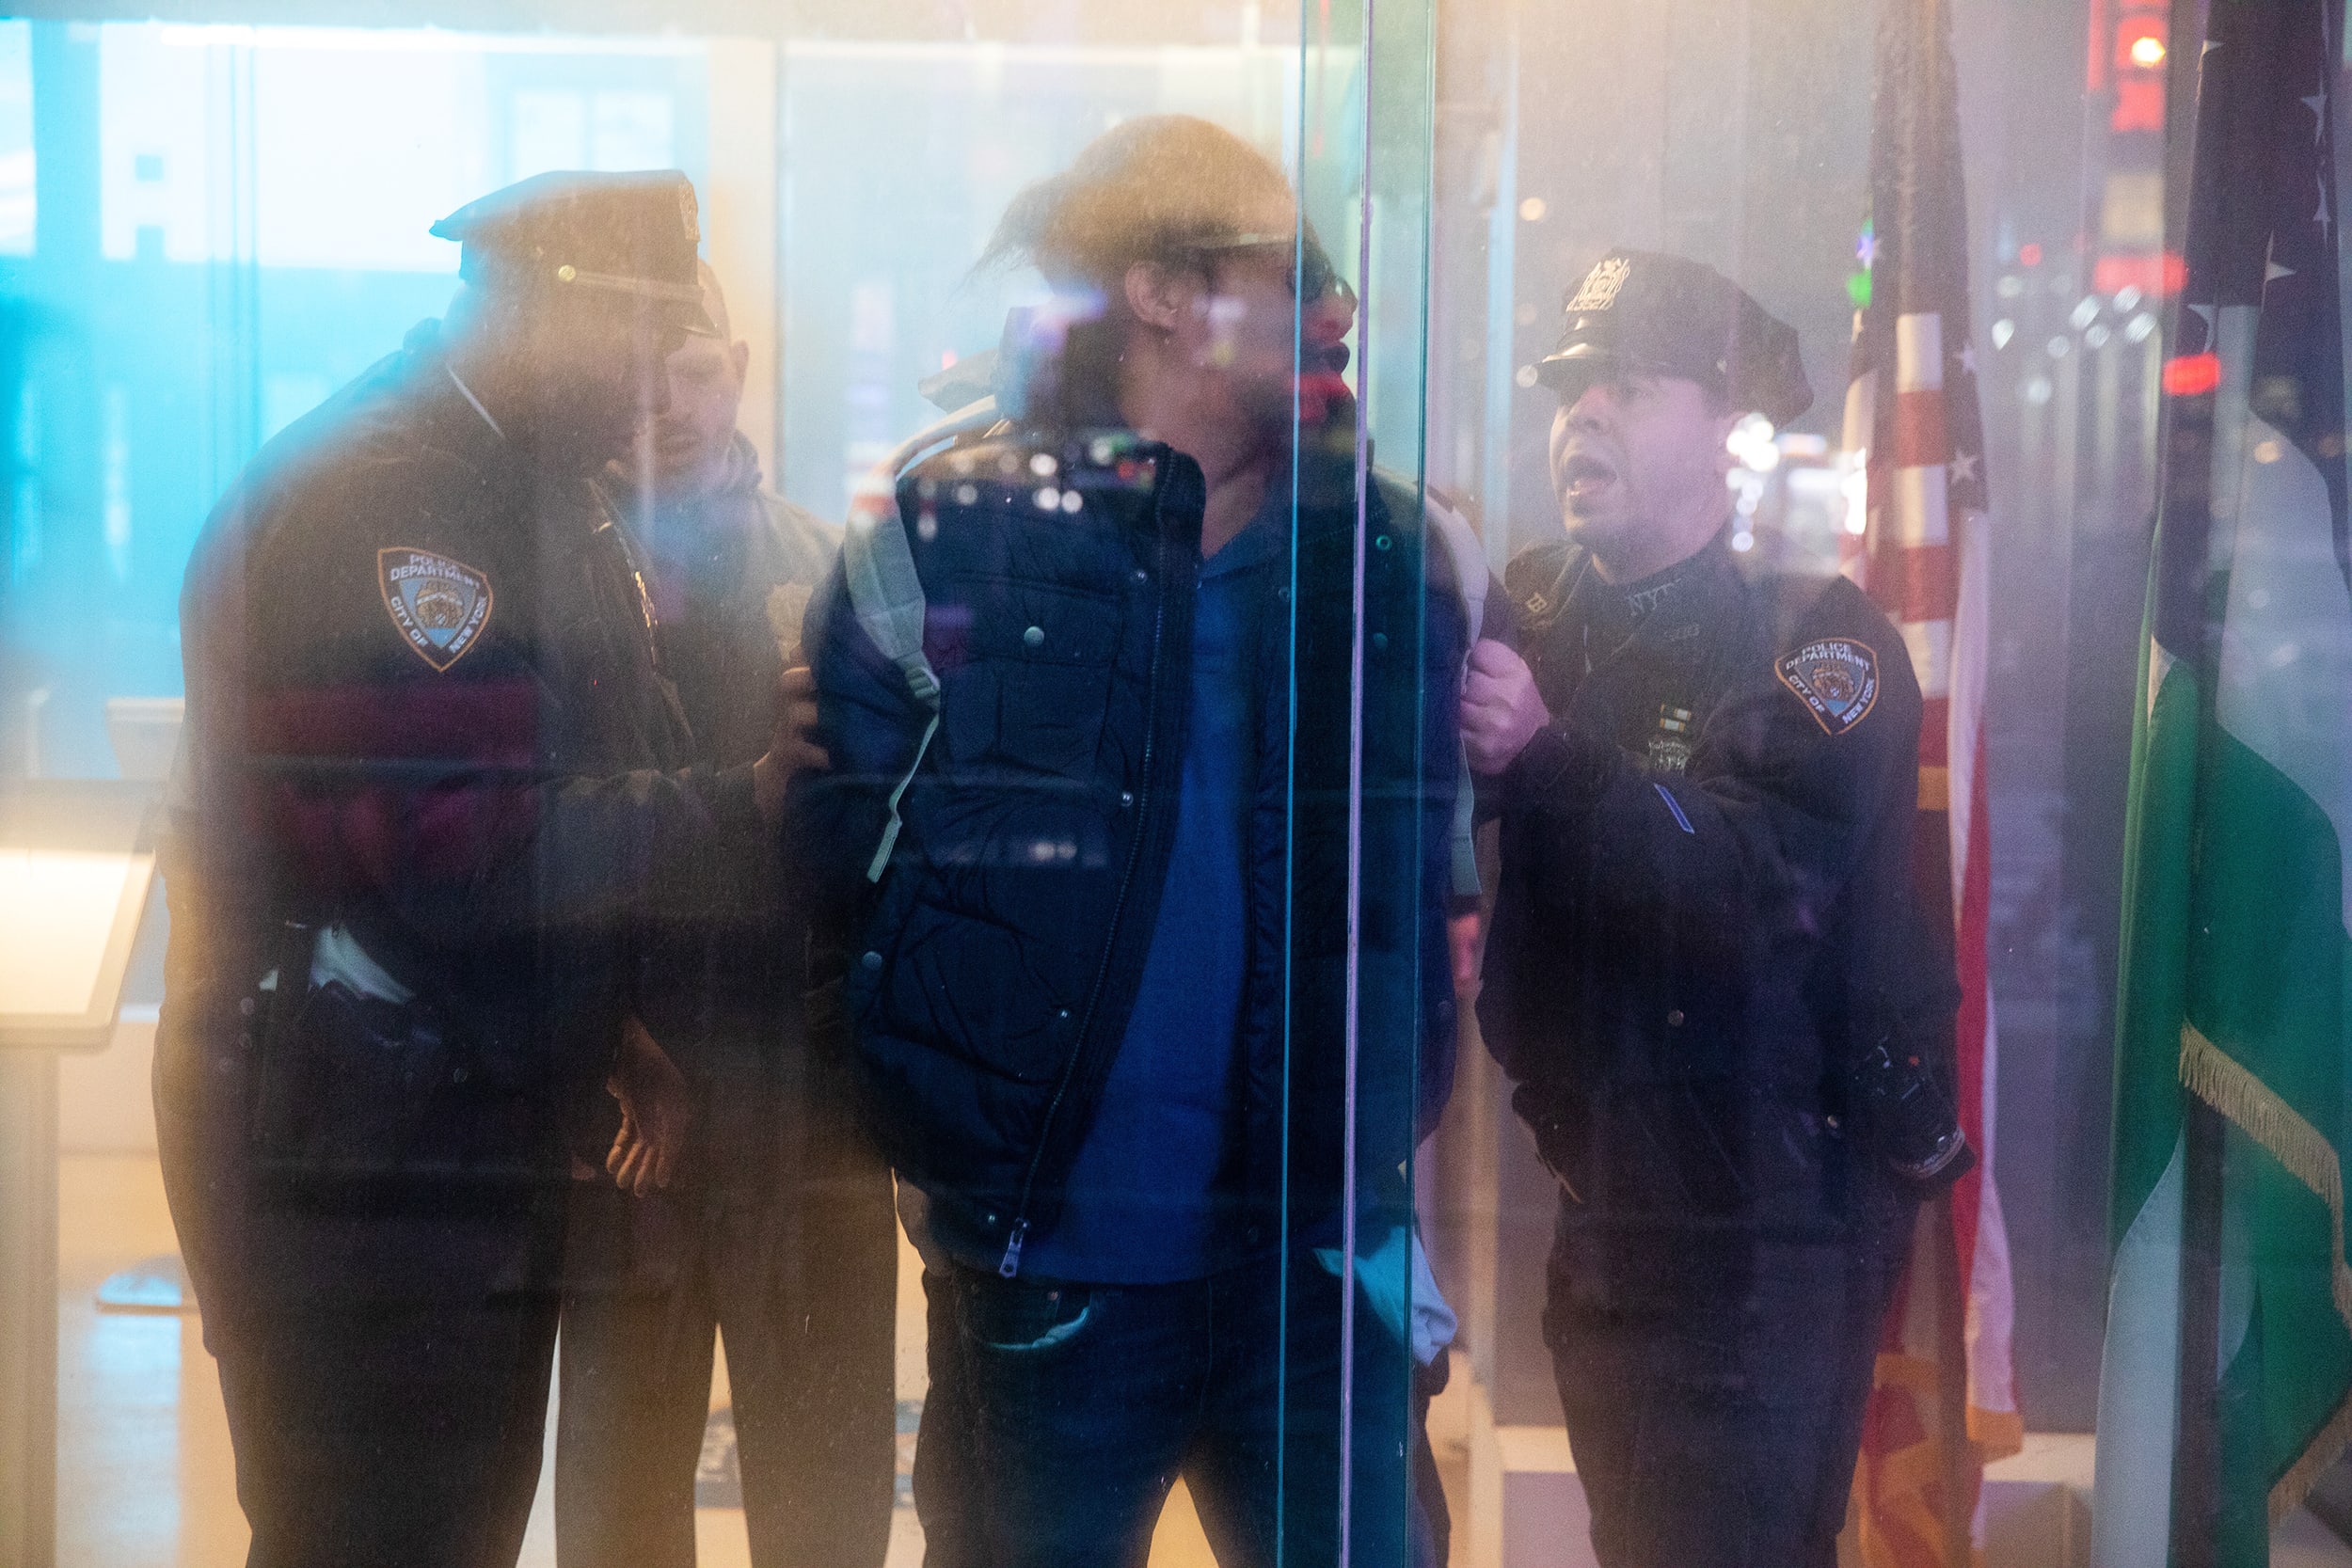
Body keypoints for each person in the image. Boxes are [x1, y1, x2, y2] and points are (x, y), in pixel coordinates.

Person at [791, 115, 1466, 1567]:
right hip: (1049, 1266)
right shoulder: (946, 529)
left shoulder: (1390, 555)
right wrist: (942, 1139)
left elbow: (1443, 882)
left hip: (1315, 1267)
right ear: (1160, 291)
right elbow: (832, 868)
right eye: (1293, 271)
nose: (1338, 304)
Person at [154, 171, 820, 1568]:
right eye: (636, 344)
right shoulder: (391, 502)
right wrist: (742, 803)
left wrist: (605, 1021)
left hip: (444, 1145)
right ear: (542, 316)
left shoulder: (523, 480)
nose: (655, 388)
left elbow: (561, 762)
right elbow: (461, 855)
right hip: (358, 1177)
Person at [1461, 249, 1965, 1568]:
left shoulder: (1827, 647)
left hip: (1768, 1232)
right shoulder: (1540, 606)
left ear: (1729, 427)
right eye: (1570, 390)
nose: (1582, 416)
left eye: (1627, 387)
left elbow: (1748, 894)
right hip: (1603, 1197)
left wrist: (1545, 755)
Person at [552, 261, 896, 1568]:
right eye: (638, 375)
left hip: (809, 1088)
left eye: (693, 370)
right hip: (615, 1084)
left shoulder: (836, 571)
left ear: (739, 371)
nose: (666, 406)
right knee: (619, 1500)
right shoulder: (548, 575)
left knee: (825, 1497)